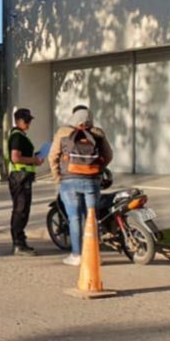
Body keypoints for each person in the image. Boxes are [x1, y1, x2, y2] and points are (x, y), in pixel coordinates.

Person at [48, 107, 113, 266]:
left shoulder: (63, 132)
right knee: (92, 218)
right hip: (92, 181)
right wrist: (97, 170)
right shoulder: (97, 133)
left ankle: (77, 255)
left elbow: (52, 157)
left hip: (69, 181)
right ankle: (95, 256)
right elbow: (109, 155)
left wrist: (58, 178)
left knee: (75, 219)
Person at [8, 108, 44, 256]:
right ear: (18, 121)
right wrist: (34, 160)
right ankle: (18, 244)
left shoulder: (21, 136)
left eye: (29, 120)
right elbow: (15, 157)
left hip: (23, 176)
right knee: (20, 210)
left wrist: (34, 158)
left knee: (23, 210)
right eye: (26, 120)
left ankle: (20, 242)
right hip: (19, 177)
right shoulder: (17, 136)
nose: (29, 123)